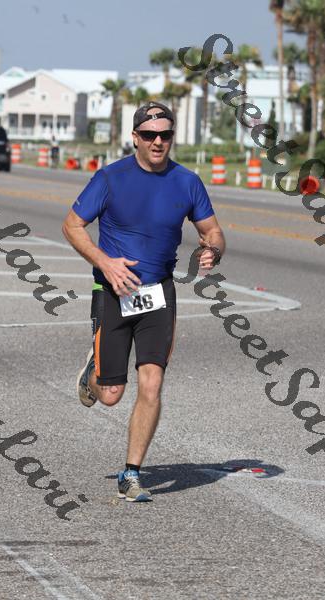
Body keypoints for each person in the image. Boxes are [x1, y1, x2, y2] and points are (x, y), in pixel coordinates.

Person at [62, 101, 225, 502]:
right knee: (111, 394)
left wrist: (213, 250)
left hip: (158, 294)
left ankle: (131, 473)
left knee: (152, 382)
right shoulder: (110, 178)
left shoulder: (187, 182)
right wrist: (105, 262)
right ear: (135, 137)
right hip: (113, 291)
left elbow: (213, 231)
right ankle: (93, 373)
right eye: (149, 134)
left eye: (165, 134)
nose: (157, 141)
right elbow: (72, 225)